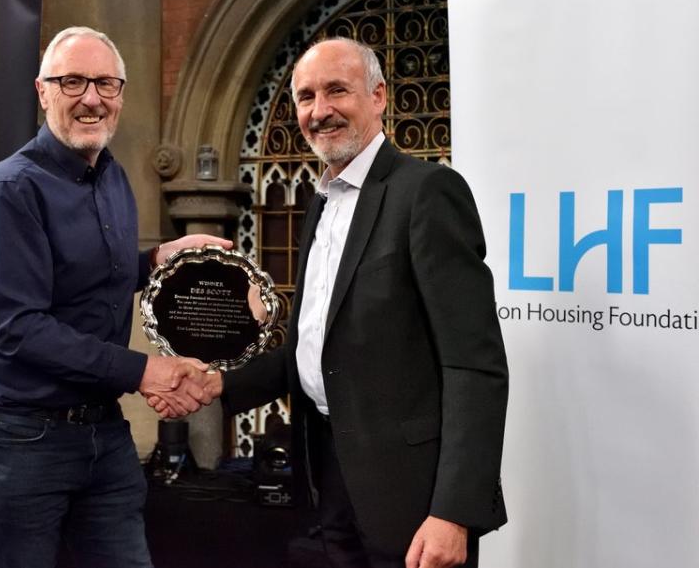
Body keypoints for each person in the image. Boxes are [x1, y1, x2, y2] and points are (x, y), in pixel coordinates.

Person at [152, 37, 508, 568]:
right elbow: (315, 348)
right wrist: (218, 383)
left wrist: (454, 513)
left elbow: (474, 366)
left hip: (411, 501)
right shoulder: (321, 205)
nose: (319, 111)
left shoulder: (428, 192)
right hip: (323, 485)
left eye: (336, 91)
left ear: (379, 96)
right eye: (305, 97)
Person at [0, 25, 228, 568]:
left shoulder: (111, 178)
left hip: (103, 435)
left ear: (121, 95)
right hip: (21, 439)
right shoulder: (12, 189)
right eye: (73, 82)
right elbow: (18, 327)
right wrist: (144, 372)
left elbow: (84, 281)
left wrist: (158, 259)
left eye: (106, 84)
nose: (91, 99)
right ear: (43, 92)